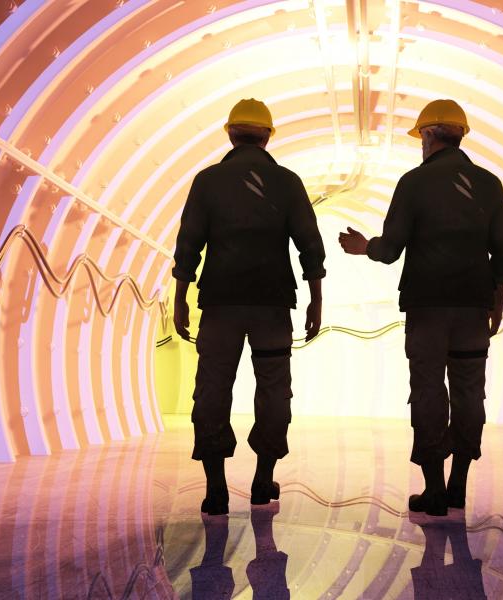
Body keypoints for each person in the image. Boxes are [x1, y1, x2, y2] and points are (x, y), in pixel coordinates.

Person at [338, 99, 503, 516]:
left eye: (421, 135)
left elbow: (391, 248)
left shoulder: (414, 183)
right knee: (470, 392)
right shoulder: (489, 184)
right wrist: (496, 301)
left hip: (428, 308)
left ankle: (433, 490)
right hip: (474, 307)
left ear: (430, 134)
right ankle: (458, 486)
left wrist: (366, 247)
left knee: (429, 391)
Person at [172, 98, 326, 516]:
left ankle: (216, 488)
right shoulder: (287, 182)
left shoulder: (207, 181)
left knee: (212, 390)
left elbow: (189, 244)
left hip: (220, 304)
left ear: (230, 133)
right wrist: (316, 298)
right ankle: (262, 479)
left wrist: (180, 298)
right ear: (268, 136)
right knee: (274, 389)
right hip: (273, 305)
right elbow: (309, 244)